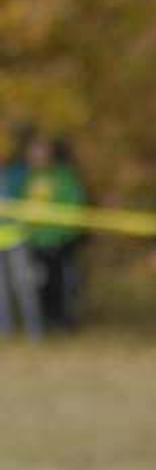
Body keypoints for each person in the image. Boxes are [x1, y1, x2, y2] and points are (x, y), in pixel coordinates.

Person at [22, 135, 88, 332]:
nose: (38, 157)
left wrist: (64, 233)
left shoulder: (64, 177)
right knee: (42, 285)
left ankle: (66, 323)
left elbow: (75, 203)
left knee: (65, 284)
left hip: (61, 241)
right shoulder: (28, 178)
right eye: (34, 154)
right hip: (36, 242)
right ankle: (48, 321)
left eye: (41, 153)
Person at [0, 129, 43, 340]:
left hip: (17, 238)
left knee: (25, 286)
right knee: (1, 291)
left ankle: (34, 332)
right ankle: (4, 332)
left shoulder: (18, 173)